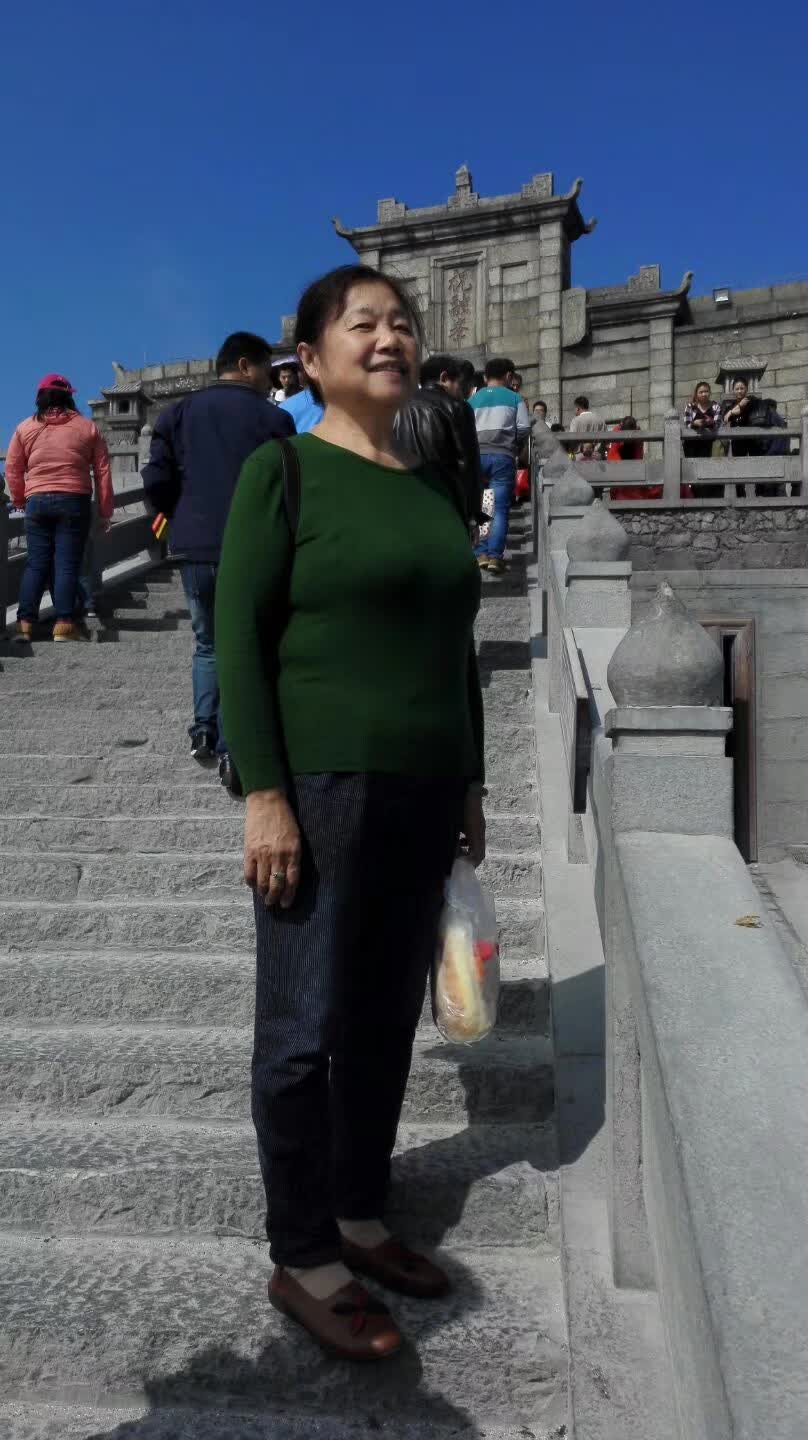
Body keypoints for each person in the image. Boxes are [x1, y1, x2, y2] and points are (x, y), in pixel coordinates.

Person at [214, 263, 485, 1360]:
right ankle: (304, 1250)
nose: (389, 338)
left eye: (402, 323)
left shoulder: (432, 487)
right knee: (301, 1032)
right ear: (311, 357)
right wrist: (264, 795)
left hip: (425, 785)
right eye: (363, 323)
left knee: (380, 1020)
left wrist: (470, 782)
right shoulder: (281, 470)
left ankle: (361, 1210)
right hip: (320, 784)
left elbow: (455, 650)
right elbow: (238, 638)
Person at [142, 331, 294, 785]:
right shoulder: (275, 419)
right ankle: (232, 748)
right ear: (245, 365)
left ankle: (203, 730)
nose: (271, 380)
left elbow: (155, 478)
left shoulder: (178, 413)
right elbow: (289, 487)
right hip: (251, 545)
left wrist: (176, 511)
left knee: (207, 642)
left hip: (194, 544)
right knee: (243, 644)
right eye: (266, 369)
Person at [6, 374, 113, 643]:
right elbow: (102, 471)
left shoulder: (24, 428)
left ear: (40, 398)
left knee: (36, 563)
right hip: (74, 500)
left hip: (37, 501)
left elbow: (12, 469)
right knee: (66, 564)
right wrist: (105, 512)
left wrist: (19, 500)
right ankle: (64, 624)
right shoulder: (87, 428)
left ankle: (24, 624)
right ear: (69, 398)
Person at [393, 353, 484, 528]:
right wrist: (472, 515)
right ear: (444, 378)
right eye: (459, 384)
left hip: (405, 501)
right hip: (446, 503)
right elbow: (468, 466)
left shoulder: (397, 406)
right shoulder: (458, 408)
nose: (462, 392)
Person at [469, 357, 530, 575]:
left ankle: (481, 554)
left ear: (486, 377)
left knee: (484, 505)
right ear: (509, 376)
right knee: (500, 508)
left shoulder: (473, 399)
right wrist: (513, 443)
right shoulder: (515, 398)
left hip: (477, 457)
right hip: (503, 456)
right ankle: (495, 556)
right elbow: (524, 427)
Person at [607, 417, 658, 501]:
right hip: (620, 468)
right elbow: (614, 455)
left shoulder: (637, 433)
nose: (628, 437)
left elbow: (638, 456)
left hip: (631, 466)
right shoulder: (618, 431)